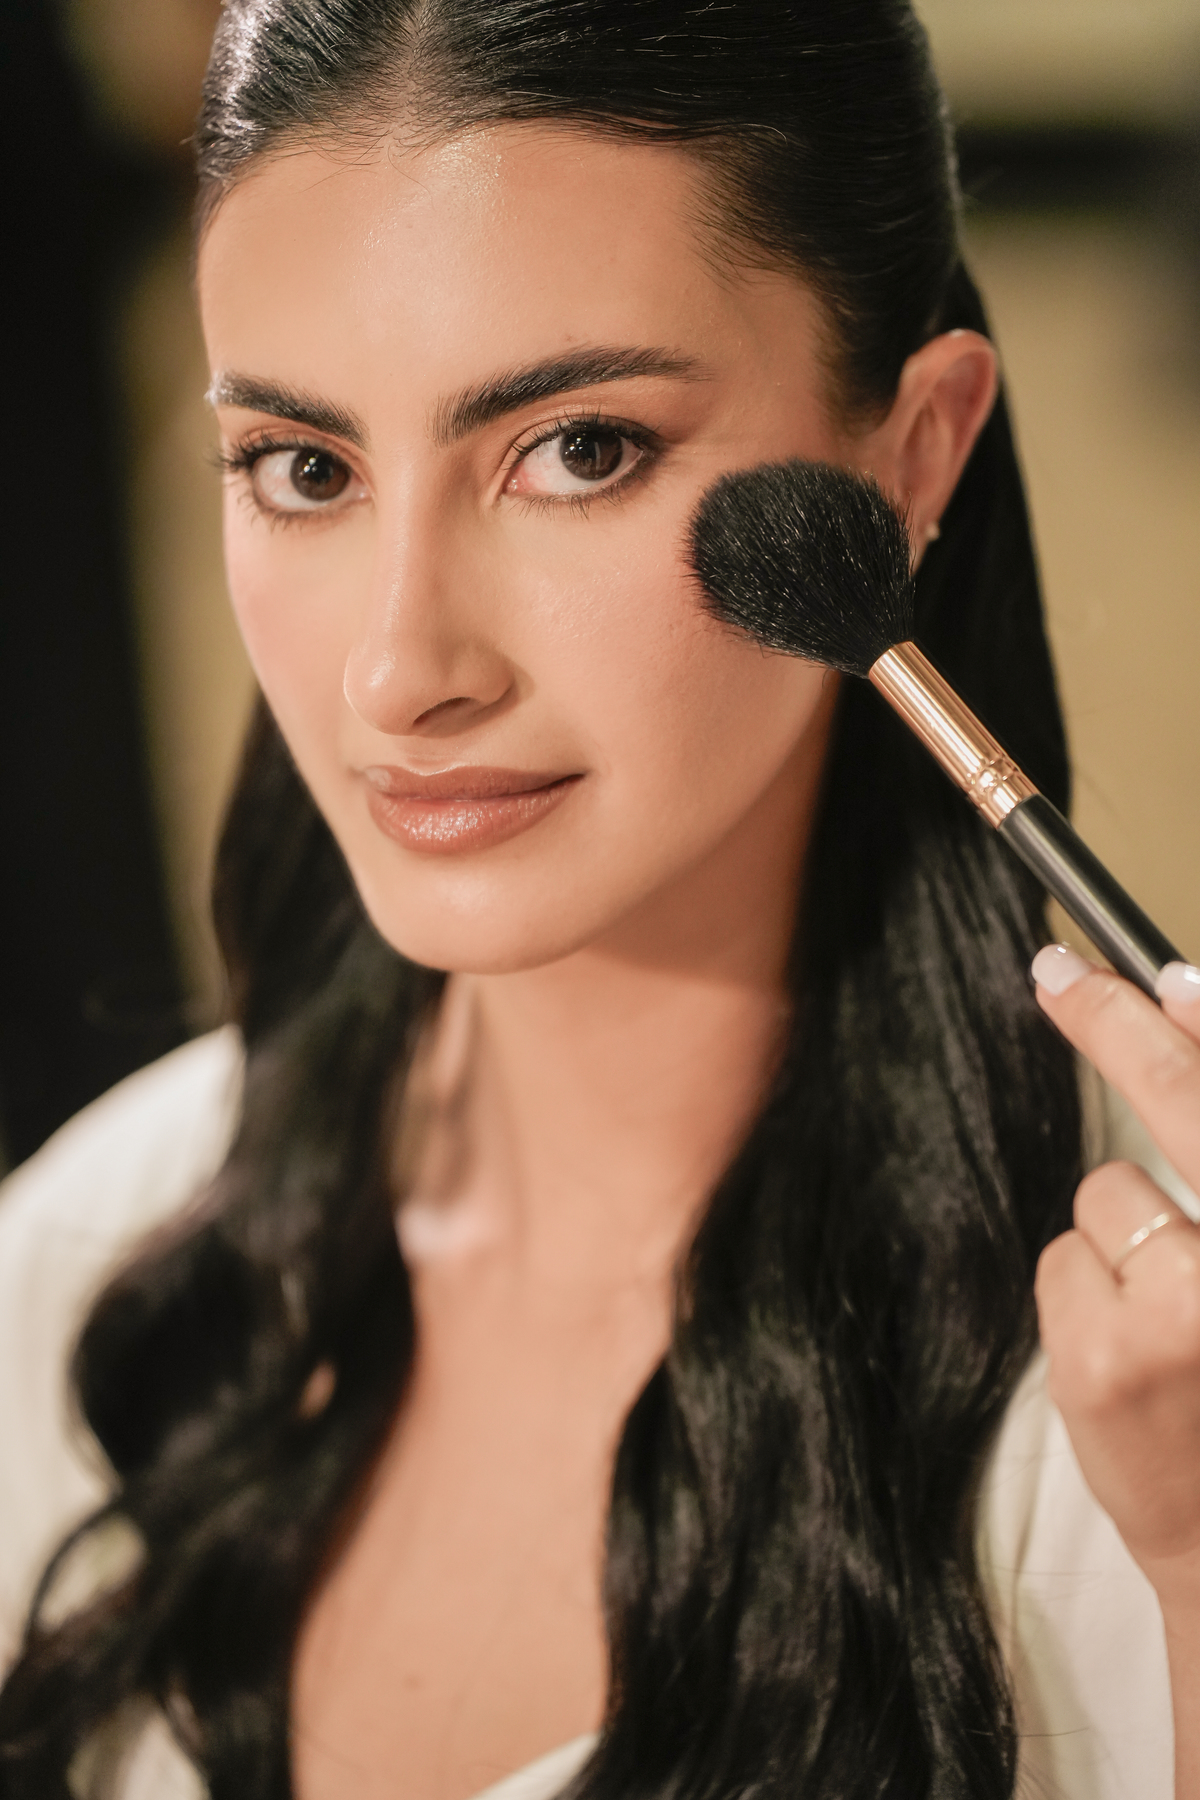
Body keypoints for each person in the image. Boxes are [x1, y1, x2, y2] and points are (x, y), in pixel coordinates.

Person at [2, 3, 1199, 1797]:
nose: (402, 669)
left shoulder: (1139, 1402)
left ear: (915, 453)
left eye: (580, 452)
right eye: (305, 469)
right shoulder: (86, 1276)